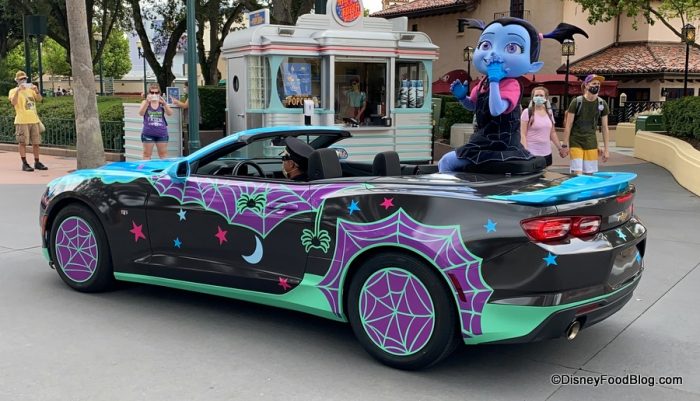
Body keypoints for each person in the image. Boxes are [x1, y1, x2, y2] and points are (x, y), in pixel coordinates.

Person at [437, 18, 587, 172]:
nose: (493, 52)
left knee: (447, 162)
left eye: (511, 48)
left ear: (533, 66)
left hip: (502, 145)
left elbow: (496, 109)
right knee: (450, 162)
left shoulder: (511, 85)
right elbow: (473, 106)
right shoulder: (483, 83)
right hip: (481, 141)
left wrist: (495, 81)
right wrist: (463, 97)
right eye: (486, 45)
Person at [562, 74, 610, 175]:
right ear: (586, 85)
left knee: (589, 173)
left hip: (591, 142)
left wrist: (606, 149)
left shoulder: (602, 104)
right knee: (578, 173)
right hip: (576, 141)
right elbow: (568, 125)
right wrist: (565, 145)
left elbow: (605, 127)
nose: (596, 86)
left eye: (598, 84)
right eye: (594, 83)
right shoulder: (577, 102)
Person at [9, 70, 47, 172]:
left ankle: (37, 162)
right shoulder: (13, 91)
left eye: (24, 78)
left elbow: (39, 99)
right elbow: (13, 102)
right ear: (17, 80)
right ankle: (24, 163)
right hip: (22, 120)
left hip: (34, 119)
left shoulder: (31, 90)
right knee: (22, 142)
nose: (23, 80)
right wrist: (18, 91)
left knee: (36, 142)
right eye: (21, 79)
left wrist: (37, 91)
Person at [520, 86, 566, 166]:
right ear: (532, 97)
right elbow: (522, 134)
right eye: (536, 95)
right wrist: (525, 150)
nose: (539, 97)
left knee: (545, 173)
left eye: (541, 95)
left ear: (546, 98)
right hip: (532, 153)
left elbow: (552, 133)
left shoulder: (549, 113)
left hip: (546, 153)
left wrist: (560, 148)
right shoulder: (527, 112)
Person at [138, 83, 173, 160]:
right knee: (147, 155)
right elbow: (141, 113)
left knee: (163, 155)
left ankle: (163, 168)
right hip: (148, 133)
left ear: (159, 93)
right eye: (152, 92)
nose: (154, 94)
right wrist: (147, 102)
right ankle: (146, 168)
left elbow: (170, 113)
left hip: (161, 133)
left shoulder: (161, 103)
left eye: (156, 93)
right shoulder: (145, 102)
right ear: (149, 93)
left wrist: (164, 104)